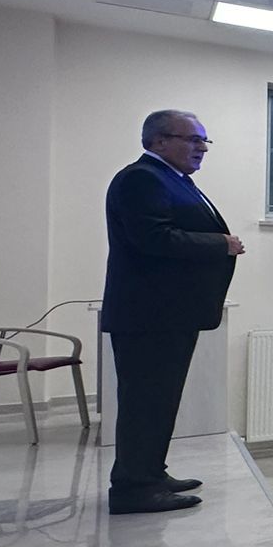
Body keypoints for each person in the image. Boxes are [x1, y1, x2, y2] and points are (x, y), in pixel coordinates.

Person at [101, 109, 241, 514]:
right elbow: (153, 238)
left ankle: (150, 473)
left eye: (204, 141)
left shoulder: (172, 179)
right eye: (193, 139)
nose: (202, 148)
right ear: (159, 141)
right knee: (145, 402)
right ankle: (133, 488)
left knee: (159, 401)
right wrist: (221, 244)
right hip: (150, 315)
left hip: (169, 313)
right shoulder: (141, 178)